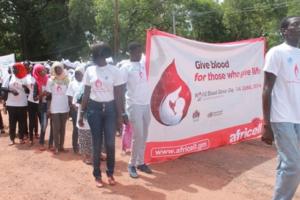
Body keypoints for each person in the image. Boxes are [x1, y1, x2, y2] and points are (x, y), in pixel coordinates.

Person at [262, 16, 300, 200]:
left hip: (298, 117)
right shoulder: (276, 53)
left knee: (286, 163)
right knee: (293, 165)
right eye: (295, 25)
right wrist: (267, 125)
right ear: (284, 30)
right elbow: (267, 89)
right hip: (282, 117)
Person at [79, 42, 124, 187]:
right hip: (94, 110)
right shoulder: (89, 71)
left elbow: (118, 96)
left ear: (101, 55)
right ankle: (97, 175)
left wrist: (119, 115)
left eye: (94, 54)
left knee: (110, 144)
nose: (92, 57)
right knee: (96, 143)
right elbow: (86, 94)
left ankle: (110, 173)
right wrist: (81, 114)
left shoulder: (115, 71)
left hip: (110, 109)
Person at [119, 42, 152, 178]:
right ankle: (131, 164)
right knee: (137, 135)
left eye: (140, 51)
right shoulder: (125, 67)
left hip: (146, 104)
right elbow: (120, 90)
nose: (140, 54)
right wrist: (122, 112)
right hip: (134, 105)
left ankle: (141, 162)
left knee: (144, 135)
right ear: (131, 52)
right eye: (137, 52)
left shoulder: (144, 63)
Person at [1, 63, 29, 145]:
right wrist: (11, 91)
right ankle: (12, 139)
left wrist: (25, 87)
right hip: (11, 104)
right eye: (13, 68)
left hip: (22, 104)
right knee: (12, 122)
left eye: (15, 68)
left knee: (22, 122)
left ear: (20, 69)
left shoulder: (25, 78)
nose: (14, 70)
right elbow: (2, 87)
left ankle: (21, 138)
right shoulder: (10, 77)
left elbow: (29, 91)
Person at [46, 61, 70, 154]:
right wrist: (48, 108)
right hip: (54, 107)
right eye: (56, 68)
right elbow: (48, 96)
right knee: (56, 128)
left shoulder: (67, 80)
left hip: (65, 107)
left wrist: (70, 108)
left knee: (63, 128)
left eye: (59, 68)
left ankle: (61, 146)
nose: (58, 70)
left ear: (62, 69)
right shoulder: (51, 80)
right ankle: (56, 146)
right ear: (54, 70)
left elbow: (70, 94)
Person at [66, 65, 84, 153]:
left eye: (79, 73)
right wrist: (74, 107)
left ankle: (83, 145)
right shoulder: (72, 83)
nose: (77, 75)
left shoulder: (86, 83)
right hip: (75, 109)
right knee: (76, 128)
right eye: (76, 74)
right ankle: (75, 146)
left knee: (84, 127)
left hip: (84, 109)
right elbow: (69, 97)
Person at [32, 64, 49, 150]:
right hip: (42, 106)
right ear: (37, 72)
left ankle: (51, 143)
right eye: (40, 71)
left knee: (51, 124)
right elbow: (35, 98)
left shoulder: (49, 80)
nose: (43, 71)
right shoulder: (36, 83)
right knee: (44, 124)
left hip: (52, 105)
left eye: (43, 69)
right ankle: (41, 142)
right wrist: (42, 94)